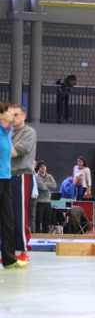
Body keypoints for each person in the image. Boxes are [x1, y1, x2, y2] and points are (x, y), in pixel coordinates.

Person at [10, 104, 37, 263]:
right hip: (5, 176)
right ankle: (8, 251)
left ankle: (22, 251)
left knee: (19, 214)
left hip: (20, 176)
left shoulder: (28, 132)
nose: (12, 118)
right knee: (6, 215)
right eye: (10, 114)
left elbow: (14, 152)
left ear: (23, 116)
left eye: (16, 114)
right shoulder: (7, 132)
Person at [1, 102, 26, 268]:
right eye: (9, 112)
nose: (12, 115)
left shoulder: (8, 131)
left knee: (8, 220)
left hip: (6, 179)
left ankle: (9, 260)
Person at [34, 160, 57, 234]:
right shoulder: (36, 177)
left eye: (44, 166)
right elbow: (42, 187)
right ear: (38, 168)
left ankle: (46, 236)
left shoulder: (49, 176)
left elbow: (54, 186)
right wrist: (49, 184)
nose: (43, 168)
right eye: (41, 167)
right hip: (39, 202)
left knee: (47, 221)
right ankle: (37, 235)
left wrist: (45, 183)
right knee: (38, 221)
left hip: (48, 202)